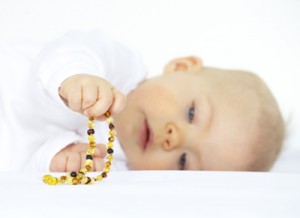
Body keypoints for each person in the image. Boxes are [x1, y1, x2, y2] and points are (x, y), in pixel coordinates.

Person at [0, 30, 284, 172]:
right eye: (192, 113)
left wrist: (54, 159)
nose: (173, 138)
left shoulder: (114, 169)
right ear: (181, 66)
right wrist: (75, 76)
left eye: (184, 161)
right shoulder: (123, 69)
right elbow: (70, 48)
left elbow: (22, 165)